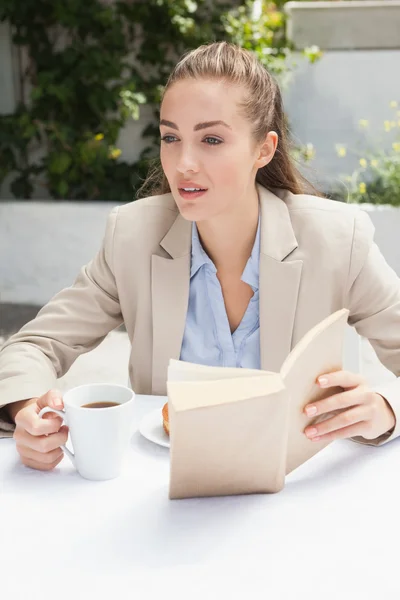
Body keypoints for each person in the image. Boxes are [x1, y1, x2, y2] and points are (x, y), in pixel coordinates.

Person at [0, 42, 399, 472]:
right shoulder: (132, 237)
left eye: (211, 139)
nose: (183, 162)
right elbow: (34, 346)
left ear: (263, 150)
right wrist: (26, 413)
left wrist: (385, 407)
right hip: (163, 491)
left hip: (296, 490)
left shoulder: (338, 238)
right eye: (171, 137)